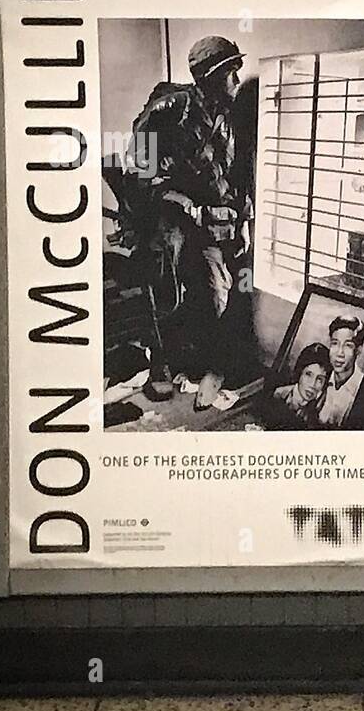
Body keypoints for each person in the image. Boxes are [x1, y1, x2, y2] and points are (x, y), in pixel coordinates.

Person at [129, 35, 258, 409]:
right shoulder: (171, 107)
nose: (237, 81)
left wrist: (244, 219)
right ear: (213, 76)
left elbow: (238, 174)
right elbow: (140, 165)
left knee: (218, 292)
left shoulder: (230, 117)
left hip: (219, 223)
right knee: (170, 292)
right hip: (172, 220)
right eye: (230, 73)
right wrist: (181, 203)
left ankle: (203, 364)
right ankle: (162, 365)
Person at [265, 342, 331, 429]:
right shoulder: (278, 396)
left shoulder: (316, 413)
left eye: (319, 379)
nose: (312, 384)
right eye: (308, 374)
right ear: (299, 373)